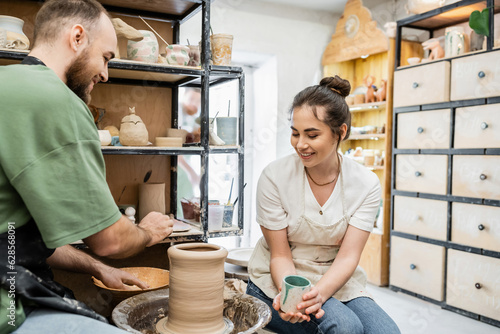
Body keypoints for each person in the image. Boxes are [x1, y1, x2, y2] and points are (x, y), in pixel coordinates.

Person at [0, 1, 174, 333]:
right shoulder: (55, 100)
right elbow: (111, 241)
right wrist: (148, 234)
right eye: (106, 57)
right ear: (77, 37)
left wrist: (98, 268)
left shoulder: (7, 83)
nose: (106, 74)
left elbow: (13, 240)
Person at [246, 76, 400, 333]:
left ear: (341, 132)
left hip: (336, 278)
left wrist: (319, 294)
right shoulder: (274, 177)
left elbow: (348, 256)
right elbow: (280, 255)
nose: (300, 144)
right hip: (281, 279)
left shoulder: (365, 183)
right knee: (345, 327)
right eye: (295, 134)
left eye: (312, 134)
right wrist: (294, 298)